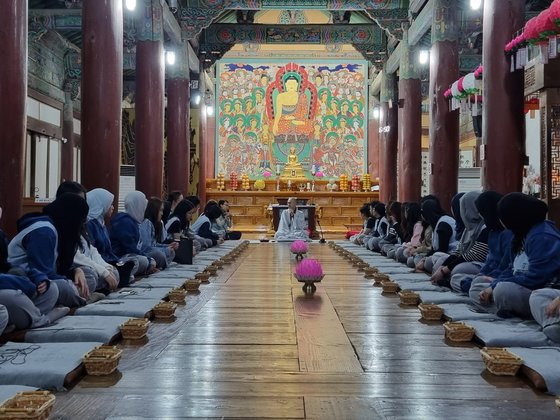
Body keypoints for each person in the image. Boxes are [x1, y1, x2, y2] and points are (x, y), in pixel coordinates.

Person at [474, 193, 560, 319]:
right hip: (522, 286)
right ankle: (511, 311)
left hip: (541, 290)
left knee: (505, 291)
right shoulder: (520, 234)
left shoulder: (543, 237)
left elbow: (537, 278)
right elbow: (510, 268)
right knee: (478, 286)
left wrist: (497, 285)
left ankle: (549, 321)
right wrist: (493, 285)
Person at [8, 193, 89, 307]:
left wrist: (76, 271)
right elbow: (42, 272)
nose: (83, 224)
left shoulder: (56, 228)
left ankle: (73, 301)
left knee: (87, 276)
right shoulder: (43, 232)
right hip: (26, 280)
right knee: (62, 287)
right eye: (82, 219)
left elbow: (56, 267)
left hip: (43, 278)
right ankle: (78, 302)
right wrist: (68, 282)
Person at [430, 191, 489, 288]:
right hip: (465, 260)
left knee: (457, 270)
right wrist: (442, 267)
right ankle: (448, 279)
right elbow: (458, 251)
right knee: (439, 261)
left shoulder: (485, 227)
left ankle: (451, 281)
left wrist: (445, 270)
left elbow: (475, 255)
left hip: (480, 264)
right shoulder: (468, 228)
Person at [109, 191, 156, 277]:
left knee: (148, 258)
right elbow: (129, 248)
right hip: (118, 258)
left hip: (127, 255)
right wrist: (149, 260)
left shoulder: (132, 221)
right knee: (141, 261)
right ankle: (125, 276)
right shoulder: (124, 222)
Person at [417, 199, 459, 273]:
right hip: (441, 255)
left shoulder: (443, 224)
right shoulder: (436, 223)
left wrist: (425, 260)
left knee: (428, 262)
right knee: (417, 259)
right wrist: (424, 258)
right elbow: (434, 249)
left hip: (451, 256)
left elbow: (443, 249)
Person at [140, 197, 178, 269]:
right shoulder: (146, 223)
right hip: (144, 253)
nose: (162, 213)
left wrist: (167, 246)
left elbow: (154, 244)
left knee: (171, 251)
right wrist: (165, 250)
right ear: (154, 210)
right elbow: (146, 248)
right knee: (159, 254)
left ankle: (160, 266)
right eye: (160, 210)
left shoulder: (154, 224)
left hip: (151, 251)